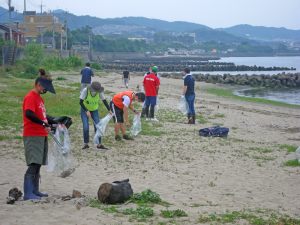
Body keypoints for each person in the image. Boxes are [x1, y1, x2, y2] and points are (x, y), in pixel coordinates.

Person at [22, 68, 66, 200]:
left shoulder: (39, 98)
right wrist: (43, 123)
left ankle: (35, 190)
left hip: (41, 134)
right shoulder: (30, 97)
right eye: (44, 87)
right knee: (33, 163)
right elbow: (28, 114)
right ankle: (28, 193)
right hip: (32, 134)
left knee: (39, 163)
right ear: (39, 84)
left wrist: (55, 122)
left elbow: (43, 115)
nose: (45, 90)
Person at [79, 81, 112, 150]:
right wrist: (87, 111)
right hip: (85, 109)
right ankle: (86, 144)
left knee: (98, 126)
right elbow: (81, 102)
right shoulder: (86, 91)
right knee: (86, 127)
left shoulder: (100, 92)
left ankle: (99, 144)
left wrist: (109, 109)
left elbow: (104, 101)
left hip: (94, 110)